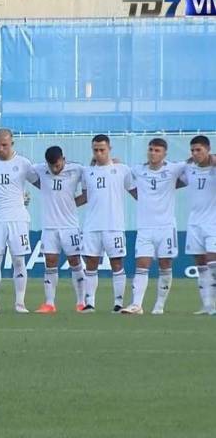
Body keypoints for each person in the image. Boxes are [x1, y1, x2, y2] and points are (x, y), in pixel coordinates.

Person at [121, 138, 186, 315]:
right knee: (142, 264)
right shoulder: (138, 170)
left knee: (165, 264)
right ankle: (136, 305)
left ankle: (159, 305)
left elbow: (193, 166)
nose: (153, 153)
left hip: (166, 227)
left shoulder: (173, 169)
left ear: (165, 153)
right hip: (145, 227)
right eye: (150, 149)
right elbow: (124, 176)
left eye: (157, 150)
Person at [0, 128, 35, 313]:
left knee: (19, 260)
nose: (1, 148)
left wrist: (25, 197)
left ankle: (20, 303)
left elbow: (42, 180)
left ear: (12, 144)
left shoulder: (24, 163)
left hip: (18, 218)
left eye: (4, 145)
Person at [79, 134, 135, 313]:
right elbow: (86, 197)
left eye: (102, 149)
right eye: (95, 150)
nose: (99, 153)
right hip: (92, 226)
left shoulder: (122, 170)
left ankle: (118, 303)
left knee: (117, 263)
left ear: (109, 149)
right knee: (91, 264)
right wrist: (65, 203)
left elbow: (135, 192)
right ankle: (90, 303)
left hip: (114, 226)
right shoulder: (87, 172)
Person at [28, 146, 86, 313]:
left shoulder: (77, 170)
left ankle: (81, 302)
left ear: (63, 159)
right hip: (49, 227)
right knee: (50, 262)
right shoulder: (40, 170)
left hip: (70, 226)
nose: (54, 168)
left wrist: (71, 204)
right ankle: (49, 303)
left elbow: (90, 185)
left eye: (57, 165)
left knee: (75, 261)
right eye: (51, 165)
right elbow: (21, 170)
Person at [180, 135, 215, 315]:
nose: (195, 153)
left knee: (213, 262)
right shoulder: (188, 169)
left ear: (208, 150)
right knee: (201, 264)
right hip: (194, 223)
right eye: (192, 150)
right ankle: (207, 305)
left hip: (213, 223)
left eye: (198, 150)